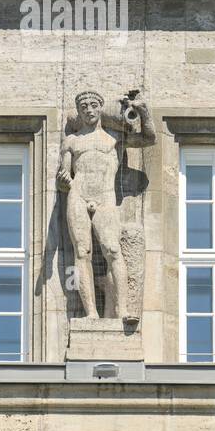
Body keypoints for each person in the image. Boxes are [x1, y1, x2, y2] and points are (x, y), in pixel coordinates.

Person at [57, 89, 156, 323]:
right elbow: (65, 175)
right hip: (78, 196)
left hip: (105, 196)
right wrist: (64, 182)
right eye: (84, 107)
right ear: (79, 112)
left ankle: (122, 309)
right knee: (83, 252)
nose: (89, 110)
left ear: (100, 108)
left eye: (93, 105)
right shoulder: (71, 141)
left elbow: (149, 139)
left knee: (112, 250)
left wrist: (142, 110)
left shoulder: (113, 137)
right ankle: (91, 312)